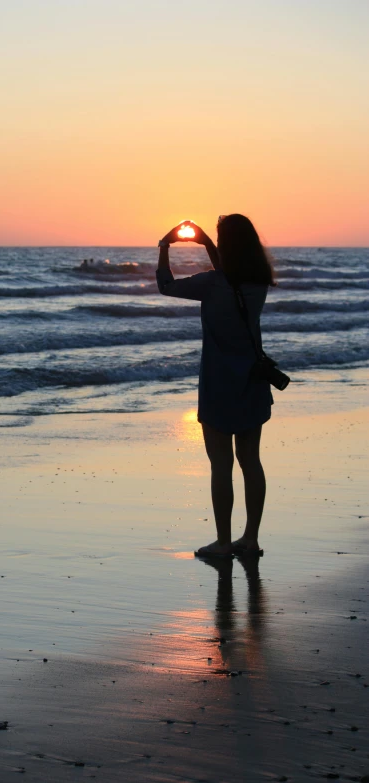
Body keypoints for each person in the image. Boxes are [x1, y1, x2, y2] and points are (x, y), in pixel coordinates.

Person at [156, 215, 276, 558]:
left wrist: (165, 246)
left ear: (226, 246)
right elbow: (231, 279)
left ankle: (224, 543)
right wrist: (208, 243)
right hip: (253, 379)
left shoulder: (211, 283)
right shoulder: (258, 282)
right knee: (250, 461)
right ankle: (250, 538)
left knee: (220, 465)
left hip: (219, 382)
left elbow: (166, 285)